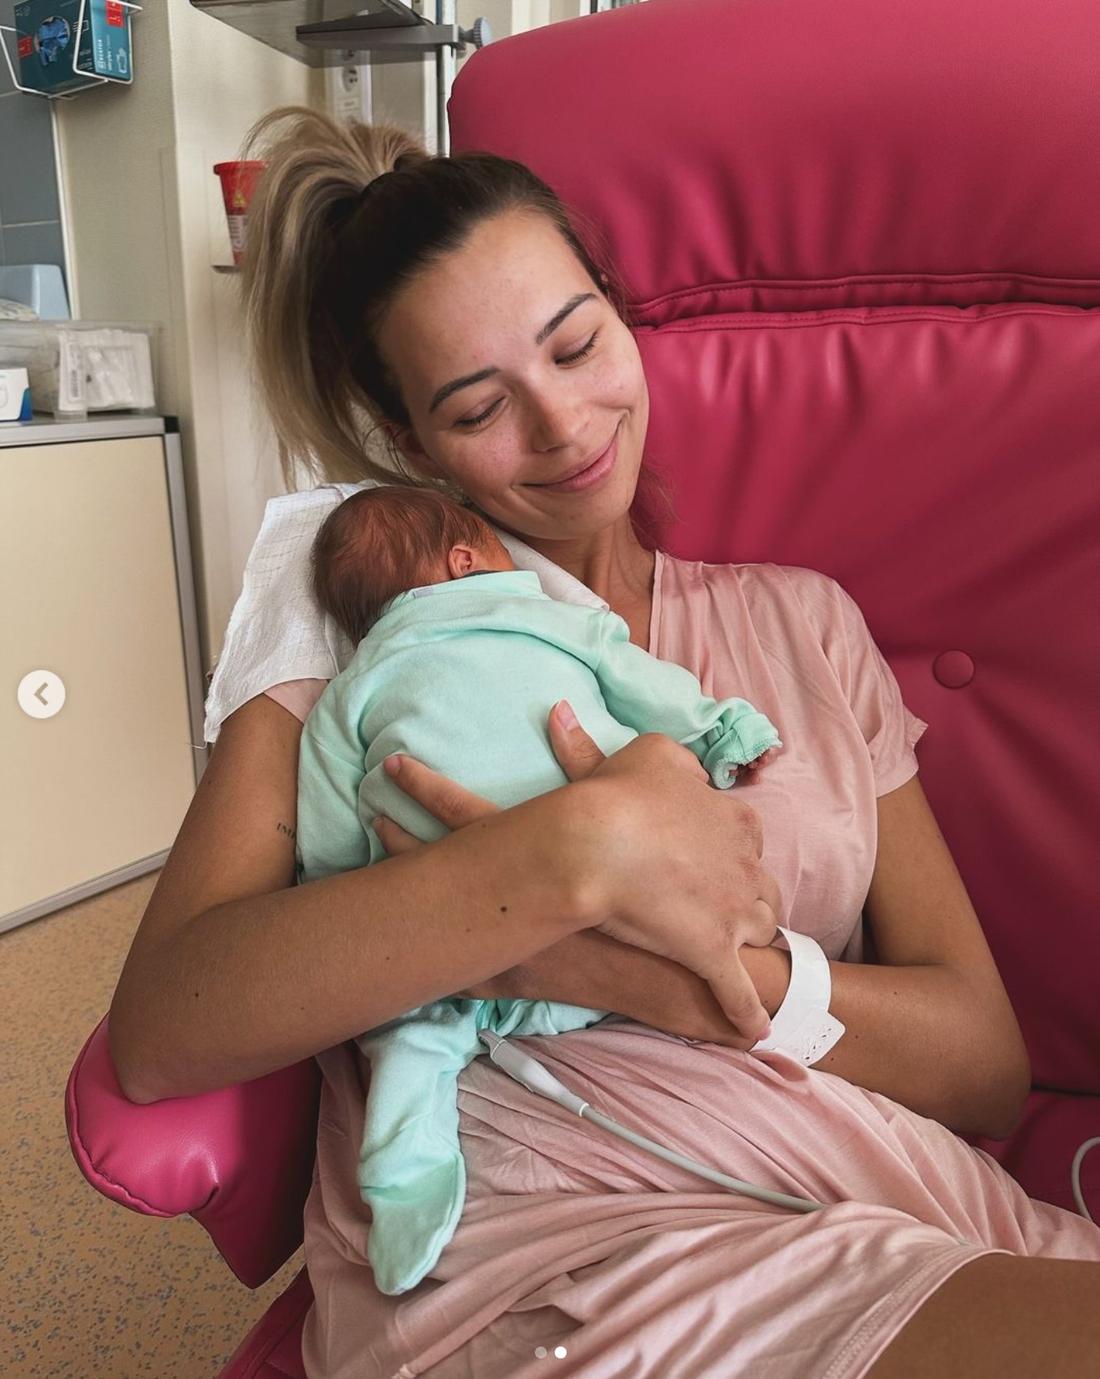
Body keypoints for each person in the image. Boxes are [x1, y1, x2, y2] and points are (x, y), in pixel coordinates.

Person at [107, 105, 1100, 1379]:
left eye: (576, 345)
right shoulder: (358, 600)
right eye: (478, 407)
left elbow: (979, 1066)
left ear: (621, 315)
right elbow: (167, 1026)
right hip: (545, 1246)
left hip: (860, 1182)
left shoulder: (802, 621)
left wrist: (625, 968)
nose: (564, 426)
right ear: (409, 442)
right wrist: (571, 854)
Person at [298, 483, 783, 1297]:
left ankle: (404, 1182)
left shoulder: (353, 687)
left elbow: (324, 826)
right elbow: (642, 684)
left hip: (443, 931)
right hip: (615, 885)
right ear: (467, 562)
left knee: (411, 1040)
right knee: (690, 936)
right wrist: (720, 728)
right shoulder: (546, 617)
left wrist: (343, 889)